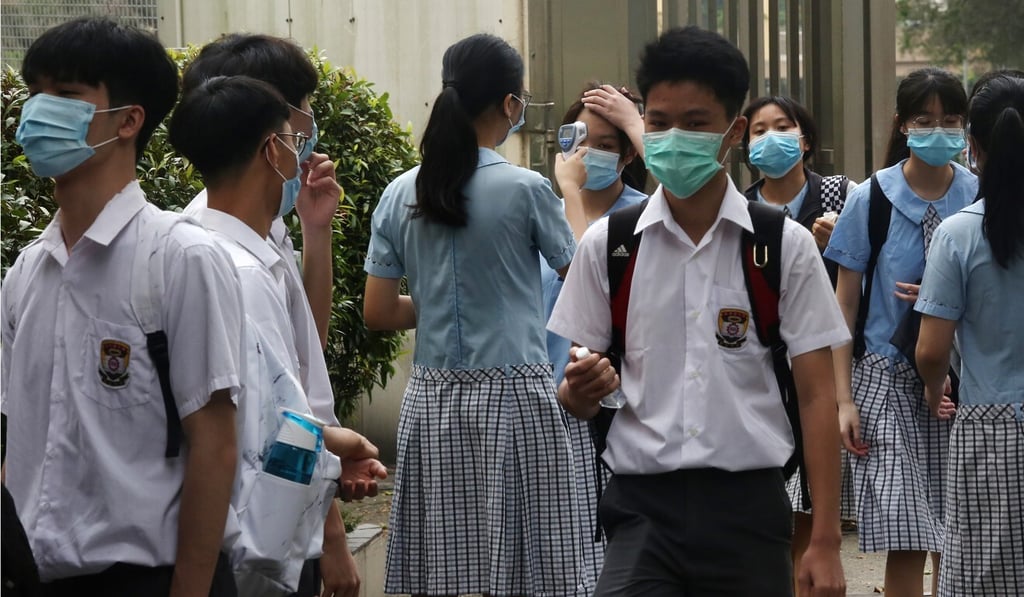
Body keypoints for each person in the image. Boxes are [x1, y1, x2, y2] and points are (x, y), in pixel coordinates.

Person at [549, 26, 847, 596]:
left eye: (695, 122)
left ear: (733, 132)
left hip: (751, 510)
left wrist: (825, 540)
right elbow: (576, 388)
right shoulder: (609, 247)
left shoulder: (782, 246)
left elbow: (815, 394)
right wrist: (579, 391)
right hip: (640, 513)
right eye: (658, 122)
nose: (672, 137)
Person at [1, 17, 242, 596]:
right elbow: (17, 438)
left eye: (66, 95)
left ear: (129, 120)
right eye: (35, 93)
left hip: (148, 580)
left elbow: (215, 446)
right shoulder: (26, 272)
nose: (37, 112)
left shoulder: (180, 258)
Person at [362, 33, 586, 597]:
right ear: (511, 105)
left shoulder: (399, 192)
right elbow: (582, 282)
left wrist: (438, 301)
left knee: (442, 561)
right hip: (516, 398)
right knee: (531, 560)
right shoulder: (527, 188)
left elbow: (379, 312)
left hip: (432, 402)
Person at [168, 75, 387, 597]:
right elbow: (274, 428)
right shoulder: (237, 269)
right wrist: (338, 450)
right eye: (295, 140)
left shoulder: (212, 250)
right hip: (246, 550)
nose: (301, 155)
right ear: (272, 149)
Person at [824, 67, 977, 597]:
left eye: (951, 120)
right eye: (924, 120)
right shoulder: (872, 198)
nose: (939, 131)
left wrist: (946, 295)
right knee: (907, 530)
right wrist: (843, 399)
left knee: (958, 534)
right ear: (902, 125)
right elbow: (844, 306)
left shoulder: (981, 199)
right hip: (886, 379)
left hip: (962, 381)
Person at [739, 95, 858, 588]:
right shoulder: (740, 211)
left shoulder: (840, 195)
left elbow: (860, 282)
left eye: (782, 127)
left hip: (827, 366)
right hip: (765, 374)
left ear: (805, 141)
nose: (771, 138)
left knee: (814, 511)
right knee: (778, 515)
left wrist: (839, 247)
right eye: (758, 131)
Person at [915, 73, 1024, 597]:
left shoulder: (957, 234)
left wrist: (935, 393)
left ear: (973, 147)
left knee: (983, 575)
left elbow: (931, 351)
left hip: (989, 431)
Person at [541, 82, 647, 587]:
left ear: (628, 155)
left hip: (616, 411)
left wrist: (572, 195)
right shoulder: (534, 205)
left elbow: (589, 283)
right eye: (580, 137)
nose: (588, 153)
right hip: (543, 407)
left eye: (607, 143)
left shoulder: (645, 215)